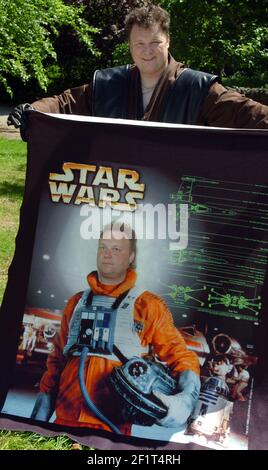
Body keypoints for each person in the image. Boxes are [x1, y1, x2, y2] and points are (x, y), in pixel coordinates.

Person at [30, 222, 200, 435]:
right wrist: (38, 421)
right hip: (63, 423)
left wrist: (184, 400)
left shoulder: (147, 305)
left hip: (111, 432)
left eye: (116, 249)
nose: (107, 254)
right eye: (103, 247)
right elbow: (57, 362)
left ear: (131, 257)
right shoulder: (76, 303)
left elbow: (181, 356)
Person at [7, 4, 268, 135]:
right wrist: (33, 110)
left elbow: (246, 113)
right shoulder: (109, 84)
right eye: (139, 44)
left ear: (168, 41)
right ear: (130, 47)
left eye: (155, 42)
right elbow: (65, 103)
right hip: (119, 196)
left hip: (171, 202)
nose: (147, 51)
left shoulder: (197, 88)